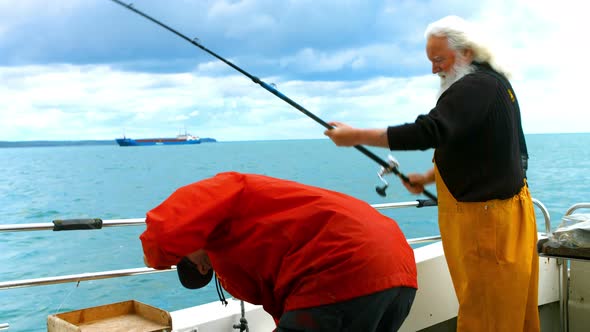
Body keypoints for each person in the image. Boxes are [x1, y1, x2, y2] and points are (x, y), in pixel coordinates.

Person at [324, 15, 539, 332]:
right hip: (508, 217)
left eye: (439, 59)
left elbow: (430, 131)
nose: (434, 69)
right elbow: (476, 149)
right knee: (513, 315)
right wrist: (427, 178)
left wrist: (355, 136)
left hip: (487, 226)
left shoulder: (474, 88)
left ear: (466, 52)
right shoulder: (492, 83)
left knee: (486, 318)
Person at [140, 171, 417, 332]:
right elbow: (284, 308)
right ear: (202, 267)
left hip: (345, 272)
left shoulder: (229, 194)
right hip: (398, 267)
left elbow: (162, 232)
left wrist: (155, 258)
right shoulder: (249, 216)